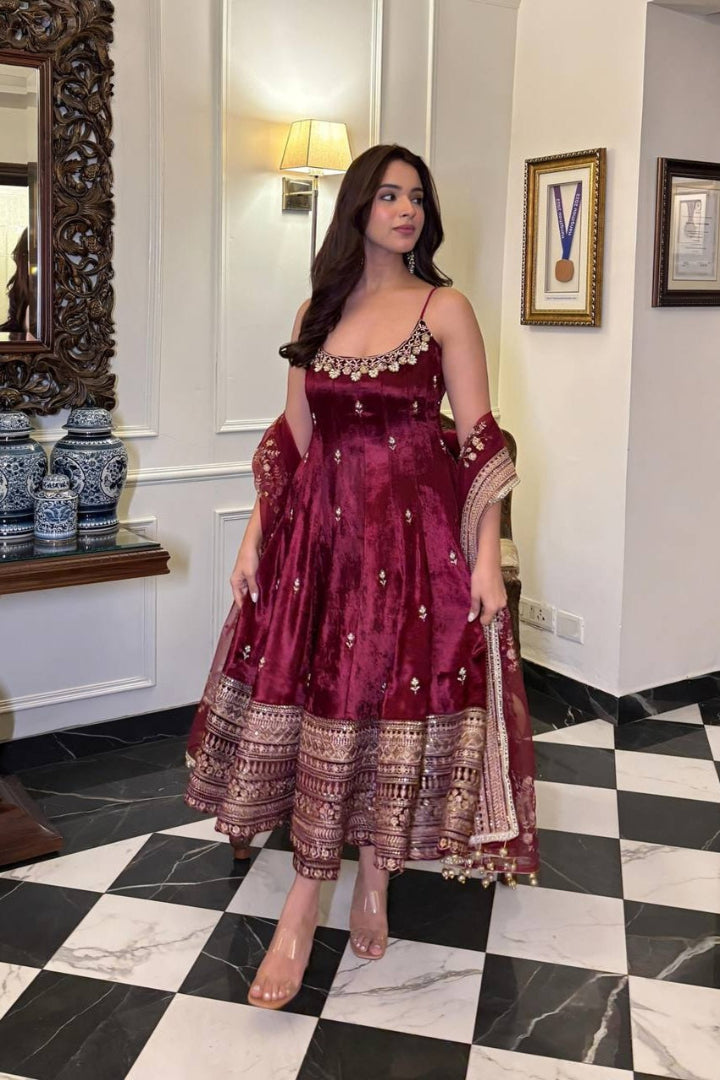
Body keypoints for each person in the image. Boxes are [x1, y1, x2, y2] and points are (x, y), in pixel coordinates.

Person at [185, 144, 538, 1010]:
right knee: (330, 706)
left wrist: (486, 558)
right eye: (387, 195)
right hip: (322, 549)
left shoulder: (444, 307)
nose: (406, 209)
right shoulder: (322, 306)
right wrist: (256, 538)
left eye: (417, 196)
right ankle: (310, 897)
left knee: (388, 703)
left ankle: (364, 885)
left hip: (415, 550)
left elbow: (481, 440)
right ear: (356, 209)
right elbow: (295, 438)